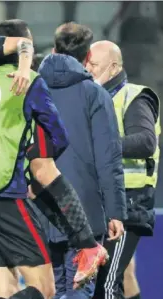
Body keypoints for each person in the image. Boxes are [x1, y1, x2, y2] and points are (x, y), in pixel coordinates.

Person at [0, 42, 64, 299]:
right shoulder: (27, 83)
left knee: (4, 289)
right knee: (45, 289)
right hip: (7, 196)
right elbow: (59, 137)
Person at [37, 23, 126, 295]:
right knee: (79, 290)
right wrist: (115, 212)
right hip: (85, 213)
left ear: (53, 50)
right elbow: (108, 158)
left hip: (40, 207)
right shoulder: (95, 94)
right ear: (88, 57)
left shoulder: (30, 90)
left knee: (49, 289)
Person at [87, 40, 160, 299]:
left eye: (94, 64)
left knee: (107, 283)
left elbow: (144, 141)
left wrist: (98, 146)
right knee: (111, 278)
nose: (88, 69)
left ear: (114, 67)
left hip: (129, 203)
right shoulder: (93, 98)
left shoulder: (134, 96)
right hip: (102, 203)